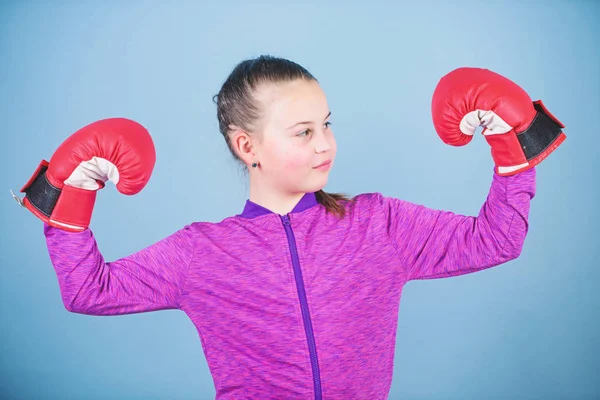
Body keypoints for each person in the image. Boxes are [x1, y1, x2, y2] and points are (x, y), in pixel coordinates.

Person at [14, 55, 565, 399]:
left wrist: (514, 147)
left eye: (327, 124)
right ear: (246, 146)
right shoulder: (201, 253)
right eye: (303, 131)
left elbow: (497, 239)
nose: (324, 142)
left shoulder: (379, 224)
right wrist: (70, 193)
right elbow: (89, 291)